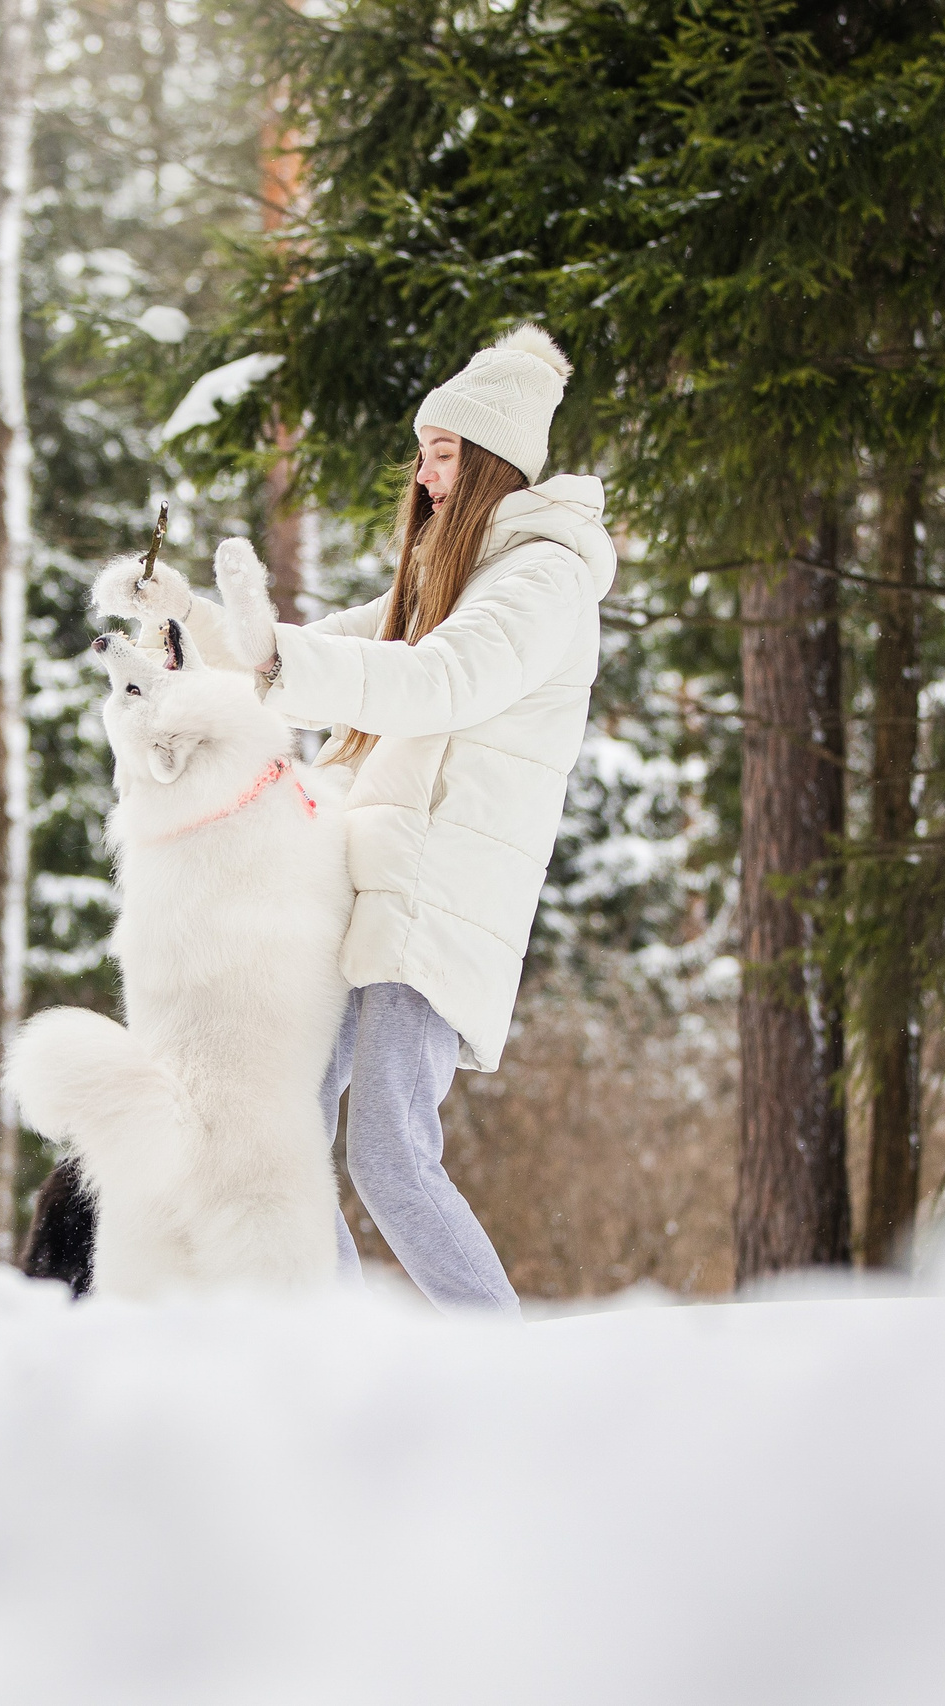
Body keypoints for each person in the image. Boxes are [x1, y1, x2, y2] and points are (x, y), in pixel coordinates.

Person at [110, 324, 615, 1313]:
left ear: (491, 460)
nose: (424, 477)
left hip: (438, 897)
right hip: (375, 881)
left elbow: (438, 681)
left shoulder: (541, 576)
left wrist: (274, 654)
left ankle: (503, 1358)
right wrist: (184, 620)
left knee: (388, 1152)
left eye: (442, 455)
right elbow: (300, 658)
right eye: (421, 454)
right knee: (291, 1132)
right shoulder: (450, 573)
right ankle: (339, 1350)